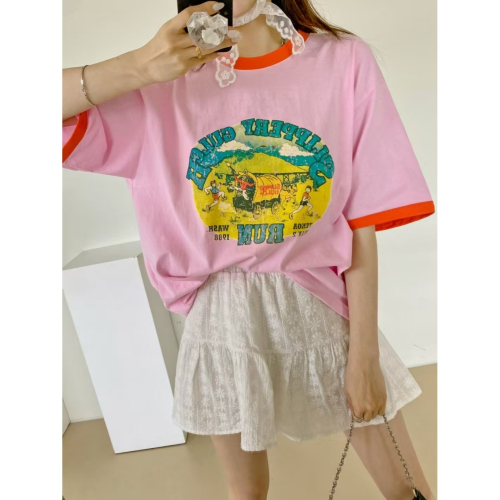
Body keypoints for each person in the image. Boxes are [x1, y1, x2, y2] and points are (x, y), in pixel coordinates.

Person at [62, 1, 436, 498]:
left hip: (322, 305)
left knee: (407, 489)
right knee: (247, 495)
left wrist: (364, 354)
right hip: (221, 319)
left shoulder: (343, 61)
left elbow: (361, 219)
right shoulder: (160, 83)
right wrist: (138, 66)